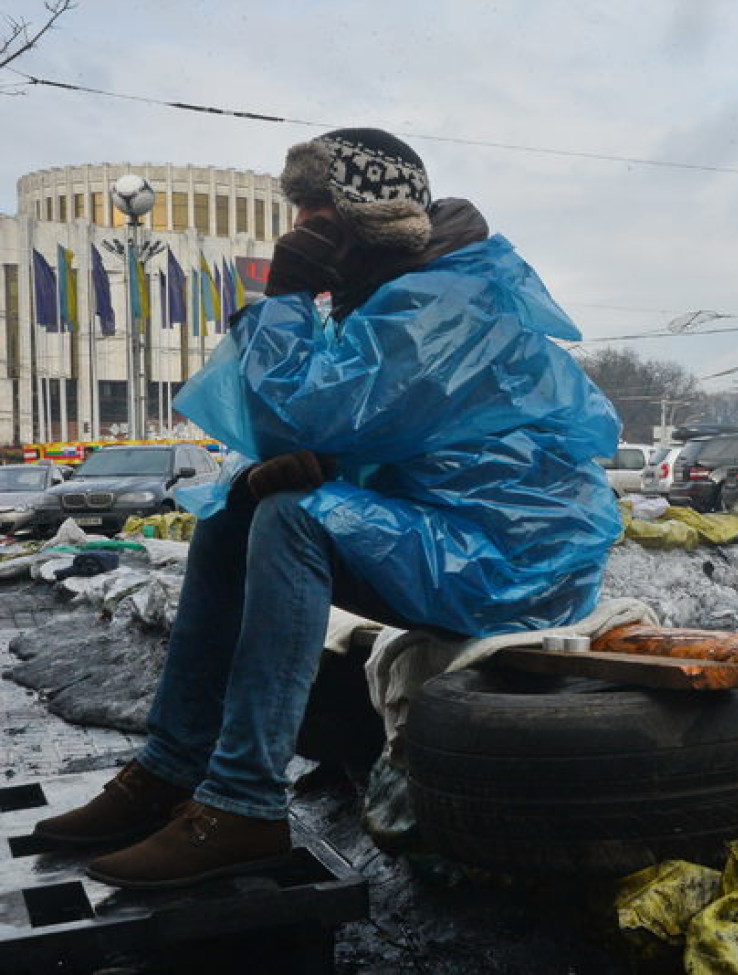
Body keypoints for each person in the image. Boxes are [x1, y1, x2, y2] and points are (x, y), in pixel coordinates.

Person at [33, 128, 623, 889]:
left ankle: (243, 800)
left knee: (293, 516)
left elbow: (299, 414)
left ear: (367, 222)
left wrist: (283, 300)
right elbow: (314, 429)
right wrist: (285, 463)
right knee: (235, 507)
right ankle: (172, 769)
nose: (300, 230)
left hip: (514, 562)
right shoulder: (389, 294)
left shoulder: (448, 300)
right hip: (446, 538)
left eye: (317, 213)